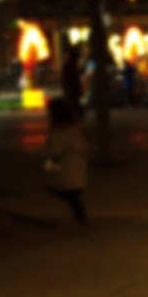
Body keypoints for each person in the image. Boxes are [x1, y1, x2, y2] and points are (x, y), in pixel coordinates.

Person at [43, 96, 88, 225]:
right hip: (75, 166)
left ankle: (81, 218)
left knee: (65, 192)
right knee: (72, 195)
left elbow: (55, 151)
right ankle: (81, 218)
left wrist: (47, 163)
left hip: (66, 168)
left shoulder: (60, 131)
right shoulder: (74, 128)